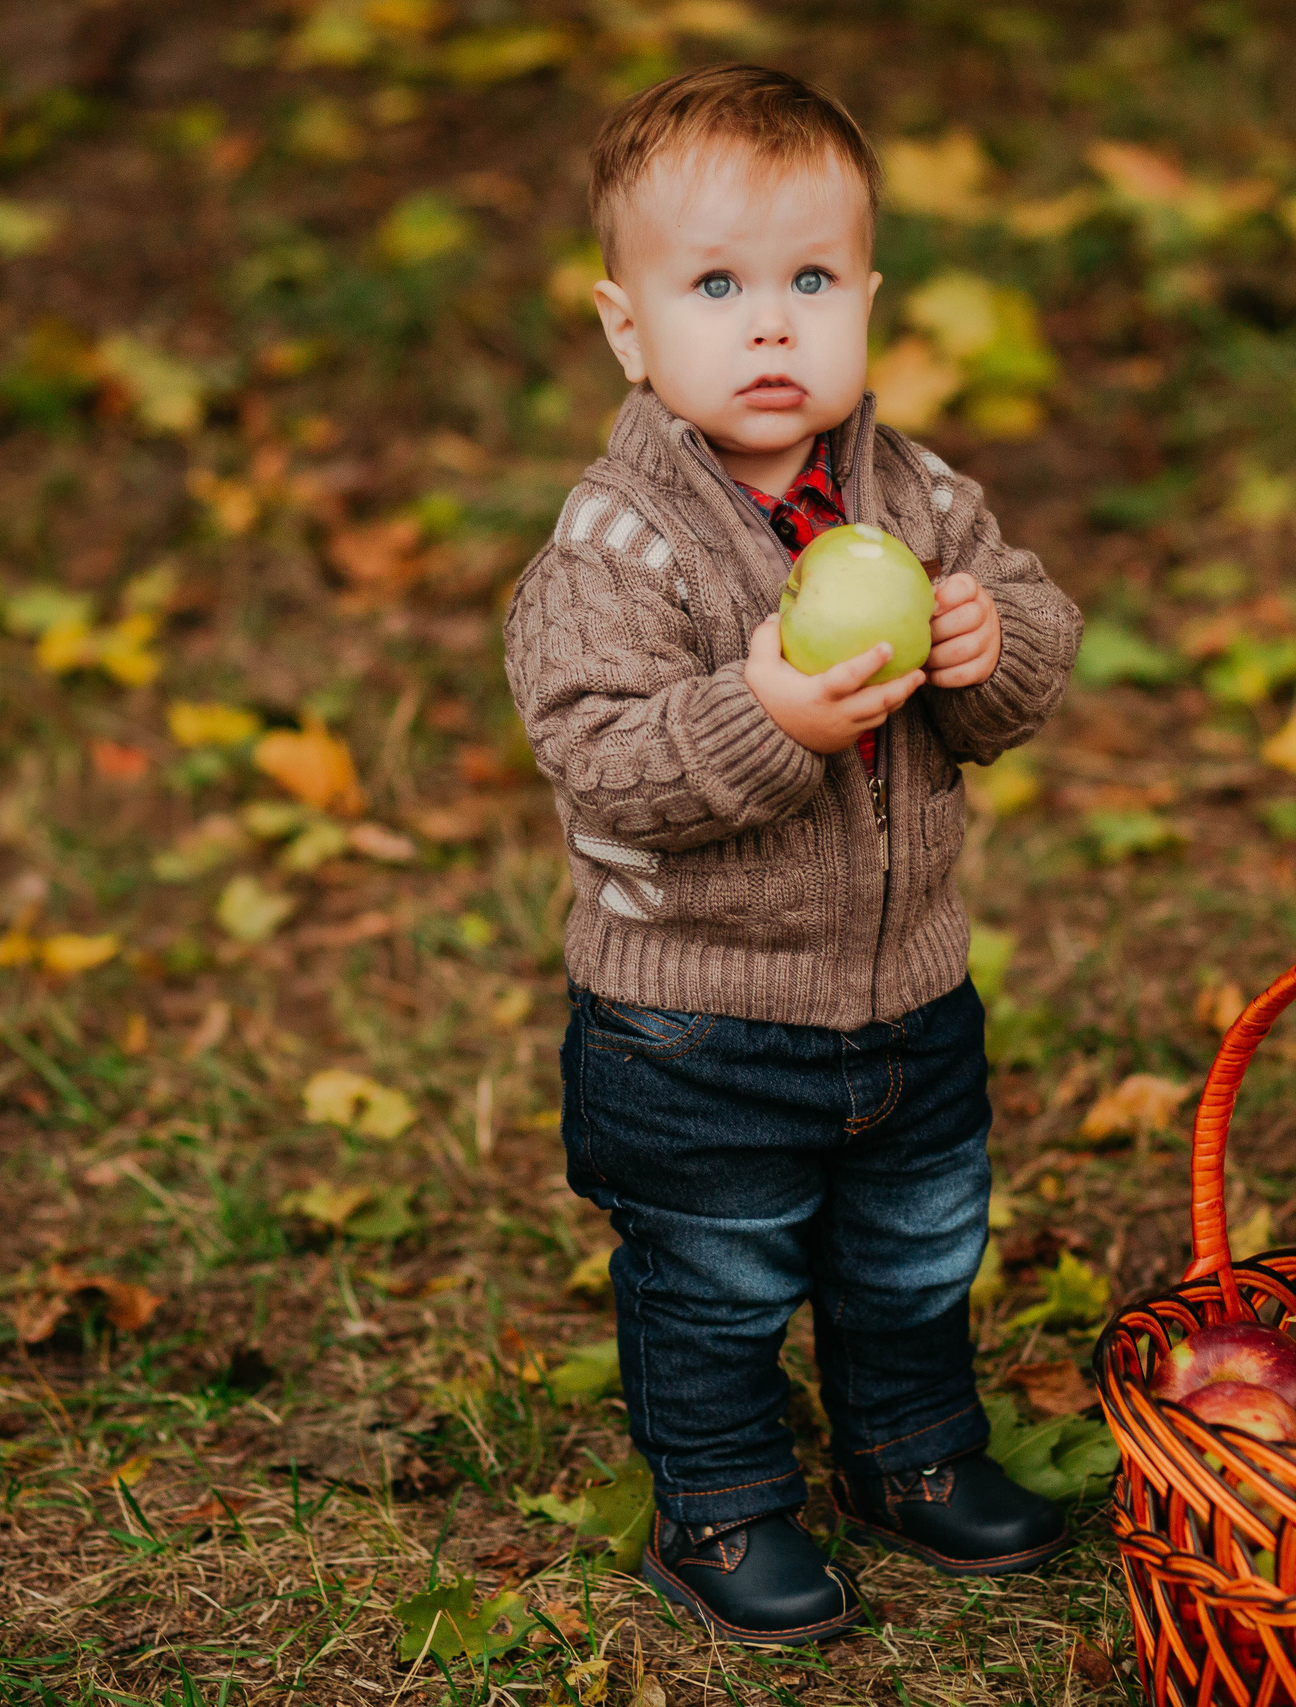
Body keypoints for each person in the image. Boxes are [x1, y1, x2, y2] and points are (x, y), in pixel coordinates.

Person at [502, 63, 1083, 1647]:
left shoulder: (919, 498)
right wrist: (767, 713)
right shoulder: (613, 546)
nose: (774, 326)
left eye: (812, 282)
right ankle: (722, 1504)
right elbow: (604, 759)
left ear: (869, 302)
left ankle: (912, 1455)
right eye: (718, 286)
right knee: (716, 1283)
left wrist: (985, 643)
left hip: (906, 999)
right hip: (696, 1032)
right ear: (628, 326)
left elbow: (1038, 638)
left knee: (914, 1255)